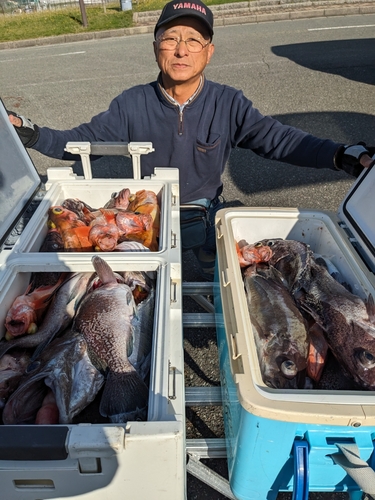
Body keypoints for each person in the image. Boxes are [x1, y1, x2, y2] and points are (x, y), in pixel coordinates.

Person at [7, 0, 375, 280]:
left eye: (193, 40)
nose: (181, 50)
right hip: (146, 220)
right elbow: (78, 142)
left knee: (226, 256)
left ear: (208, 51)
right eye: (170, 39)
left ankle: (207, 254)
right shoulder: (131, 103)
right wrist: (28, 130)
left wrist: (342, 154)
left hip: (203, 208)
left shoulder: (229, 102)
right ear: (156, 48)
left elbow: (279, 139)